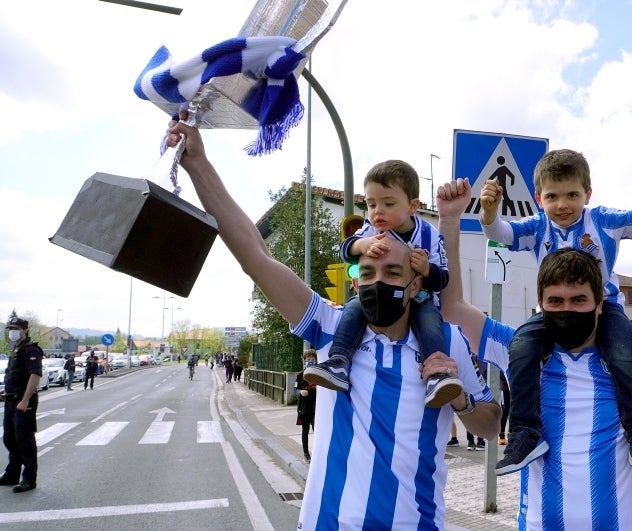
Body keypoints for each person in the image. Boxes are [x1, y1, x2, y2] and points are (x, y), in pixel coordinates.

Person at [165, 113, 501, 529]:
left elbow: (490, 425)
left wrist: (460, 399)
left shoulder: (446, 345)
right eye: (367, 274)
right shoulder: (329, 325)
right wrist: (197, 163)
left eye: (393, 274)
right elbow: (255, 256)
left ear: (416, 285)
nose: (376, 282)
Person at [439, 145, 632, 529]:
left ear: (600, 303)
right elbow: (452, 306)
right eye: (555, 301)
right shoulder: (519, 349)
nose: (567, 310)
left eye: (579, 299)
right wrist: (449, 219)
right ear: (540, 305)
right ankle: (524, 436)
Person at [479, 148, 632, 485]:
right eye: (552, 196)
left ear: (587, 193)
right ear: (539, 198)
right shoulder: (537, 226)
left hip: (604, 309)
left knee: (627, 356)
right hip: (551, 313)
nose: (562, 204)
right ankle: (525, 433)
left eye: (572, 194)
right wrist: (488, 213)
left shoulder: (602, 220)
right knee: (521, 348)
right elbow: (501, 235)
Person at [303, 159, 463, 408]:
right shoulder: (369, 229)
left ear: (413, 206)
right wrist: (361, 245)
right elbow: (345, 250)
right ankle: (339, 362)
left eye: (388, 204)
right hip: (378, 298)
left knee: (430, 321)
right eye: (371, 204)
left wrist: (426, 269)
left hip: (418, 298)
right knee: (353, 308)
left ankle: (436, 373)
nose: (377, 211)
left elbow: (443, 278)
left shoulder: (430, 235)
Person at [1, 317, 44, 493]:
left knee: (25, 440)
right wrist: (6, 392)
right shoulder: (16, 349)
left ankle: (29, 478)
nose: (12, 331)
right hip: (11, 400)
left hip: (22, 402)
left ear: (25, 330)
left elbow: (35, 375)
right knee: (10, 438)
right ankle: (12, 474)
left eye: (16, 328)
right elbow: (15, 375)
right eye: (10, 328)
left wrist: (25, 400)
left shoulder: (30, 349)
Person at [296, 349, 318, 462]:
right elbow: (295, 390)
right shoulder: (300, 376)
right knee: (305, 430)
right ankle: (306, 453)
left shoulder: (318, 375)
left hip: (316, 408)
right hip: (304, 408)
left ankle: (318, 452)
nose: (310, 361)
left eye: (312, 360)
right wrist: (300, 391)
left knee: (317, 430)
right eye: (308, 360)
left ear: (316, 361)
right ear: (304, 361)